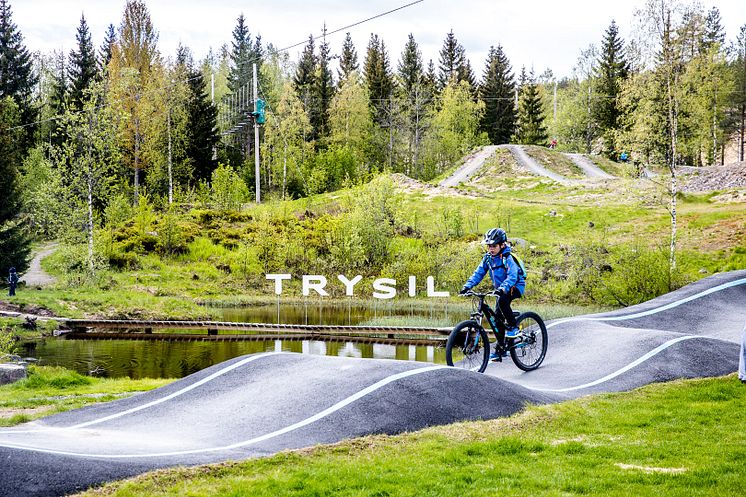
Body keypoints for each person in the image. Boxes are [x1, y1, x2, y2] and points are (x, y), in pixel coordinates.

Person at [459, 228, 526, 361]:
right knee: (497, 319)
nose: (491, 248)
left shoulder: (508, 258)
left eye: (494, 246)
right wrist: (467, 286)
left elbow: (512, 276)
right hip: (501, 289)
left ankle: (513, 327)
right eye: (489, 246)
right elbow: (478, 273)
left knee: (502, 302)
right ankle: (500, 350)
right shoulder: (488, 259)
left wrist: (503, 288)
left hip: (515, 286)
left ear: (502, 245)